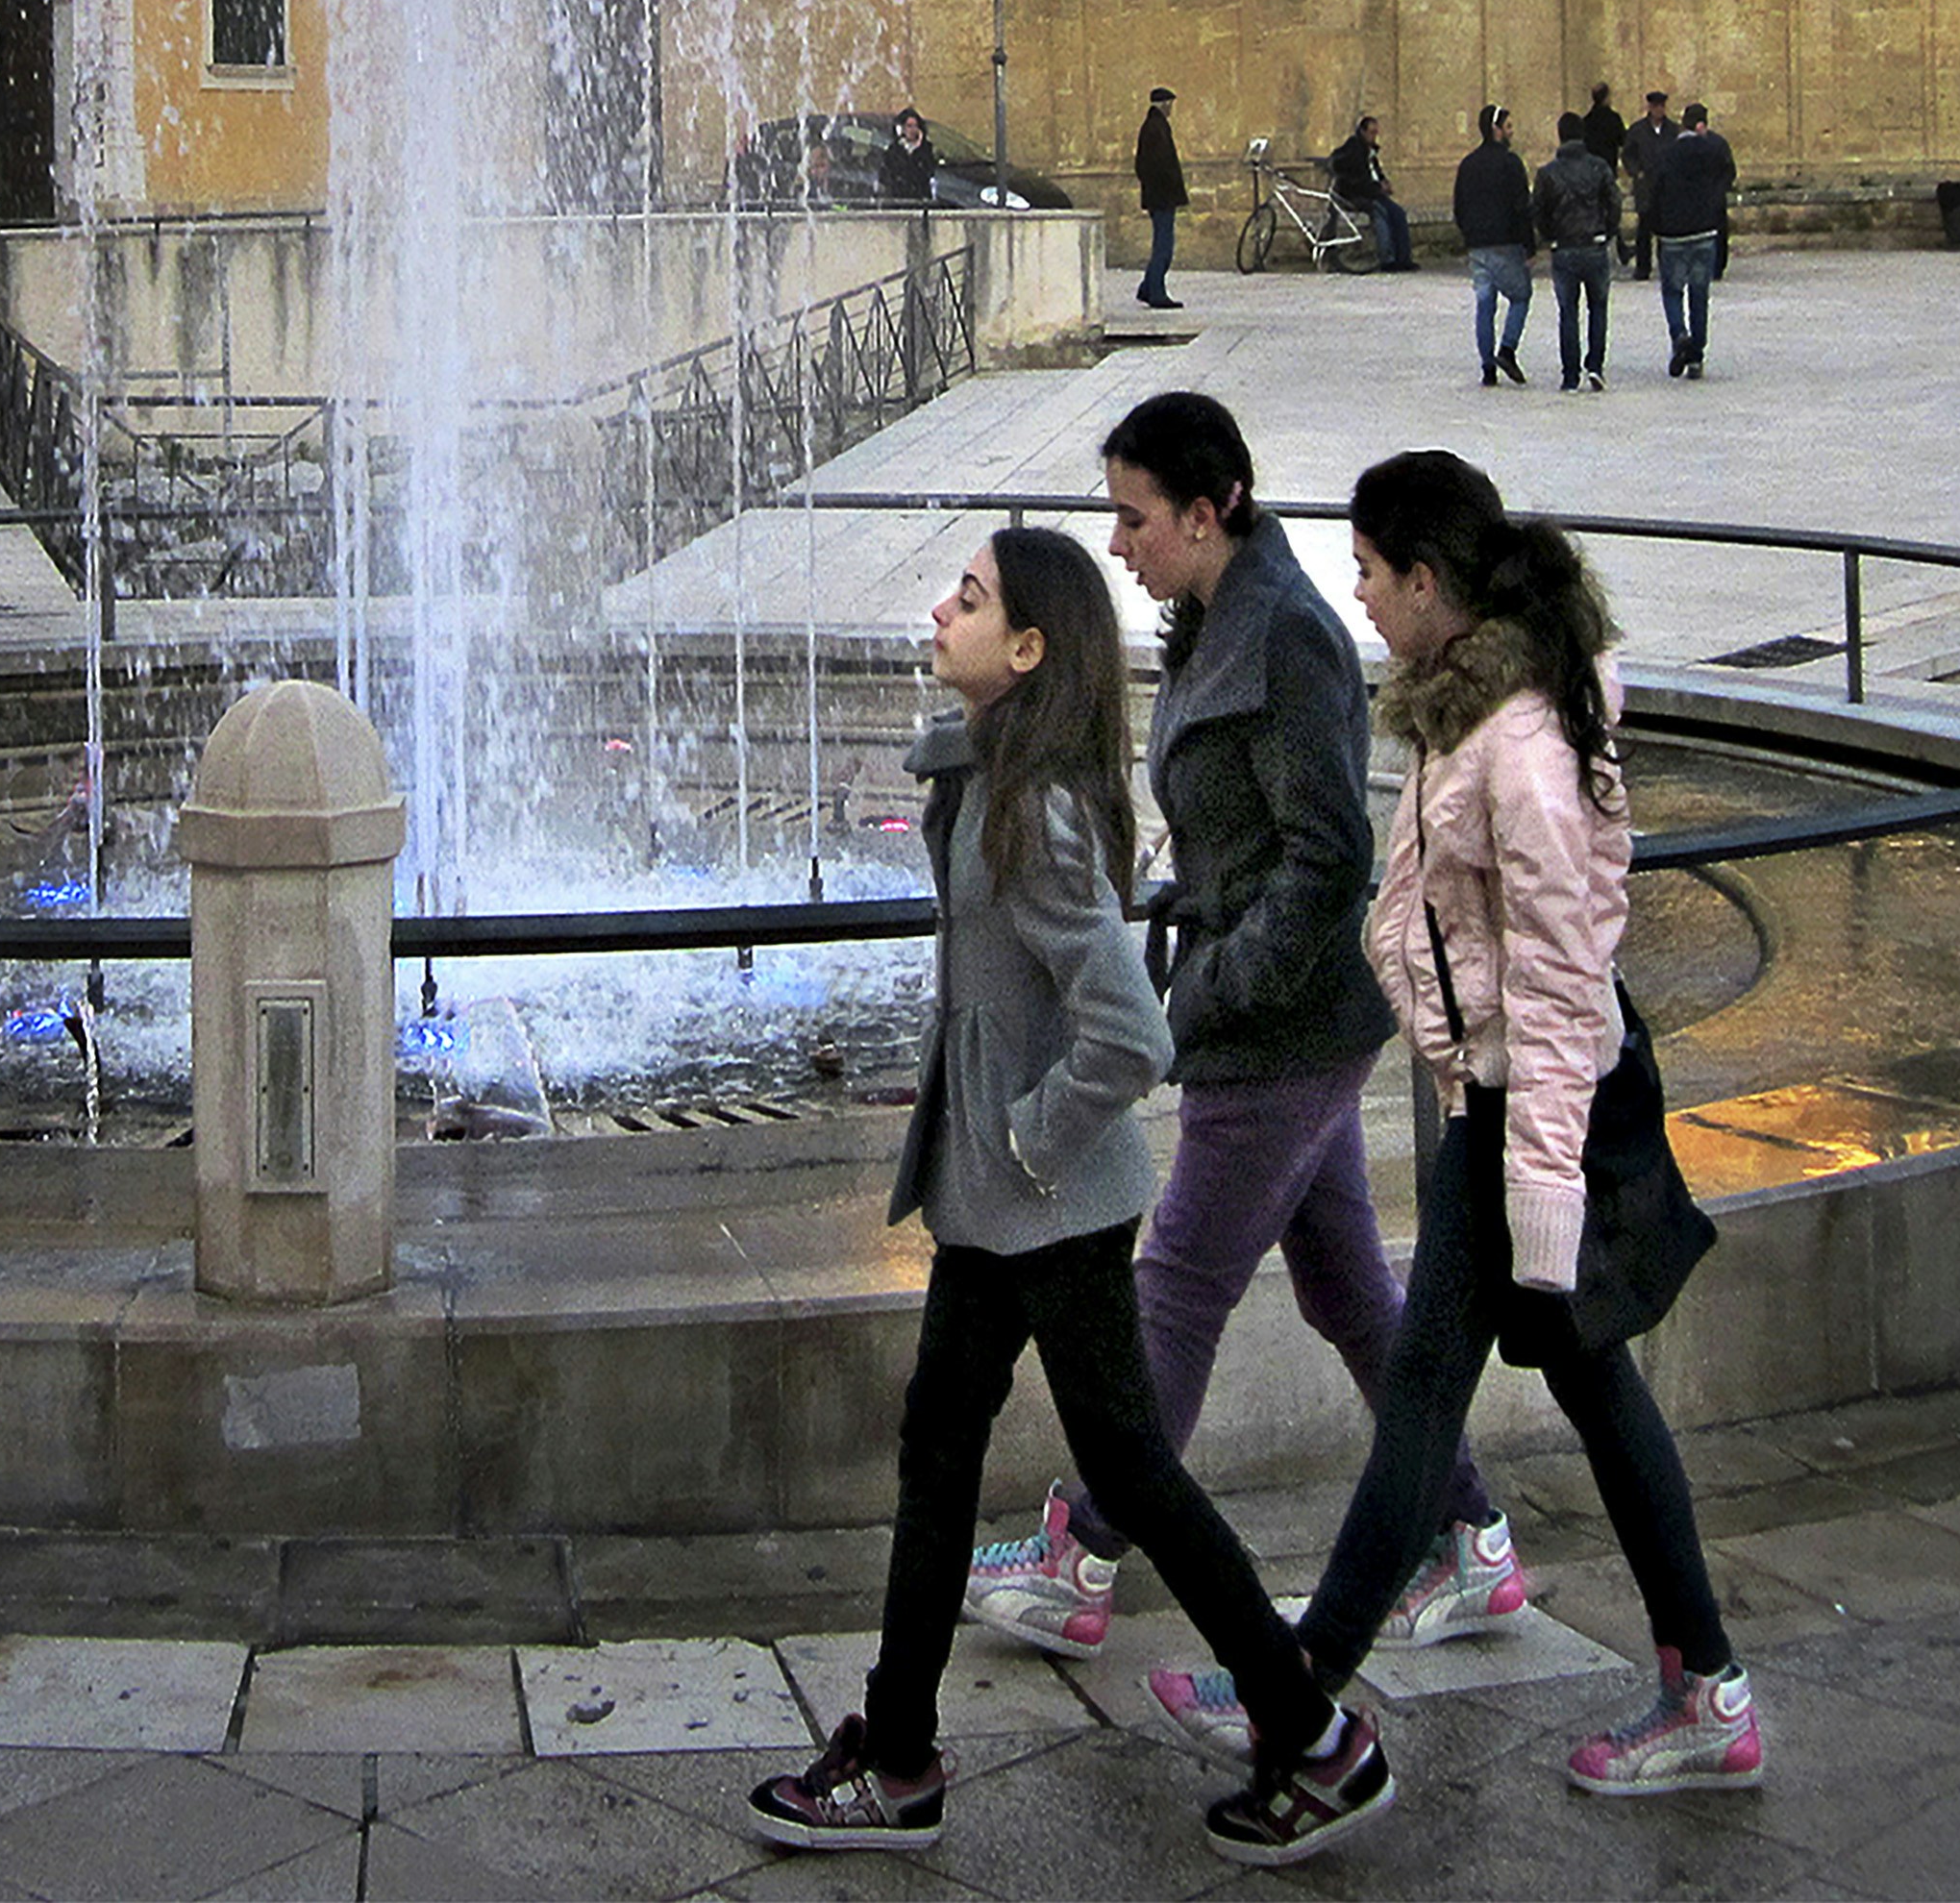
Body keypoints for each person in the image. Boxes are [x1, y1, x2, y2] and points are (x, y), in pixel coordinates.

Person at [747, 526, 1395, 1866]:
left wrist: (1030, 1138)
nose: (938, 607)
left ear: (1029, 649)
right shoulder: (998, 779)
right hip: (1004, 1205)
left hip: (1044, 1202)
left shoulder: (1030, 811)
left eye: (969, 598)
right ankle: (905, 1752)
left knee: (1131, 1473)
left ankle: (1311, 1735)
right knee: (950, 1448)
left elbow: (1130, 1032)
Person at [1149, 450, 1759, 1805]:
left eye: (1370, 573)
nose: (1356, 596)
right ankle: (1704, 1687)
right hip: (1512, 1103)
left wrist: (1533, 1180)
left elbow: (1556, 976)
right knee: (1582, 1395)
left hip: (1540, 1114)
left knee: (1427, 1398)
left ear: (1428, 583)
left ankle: (1296, 1701)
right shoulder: (1476, 711)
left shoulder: (1519, 748)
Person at [967, 394, 1525, 1692]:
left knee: (1175, 1287)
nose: (1118, 544)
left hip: (1281, 1022)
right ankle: (1468, 1530)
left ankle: (1085, 1554)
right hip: (1274, 1012)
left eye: (1135, 515)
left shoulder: (1288, 637)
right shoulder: (1225, 618)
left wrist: (1197, 1000)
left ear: (1206, 513)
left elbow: (1325, 860)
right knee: (1344, 1290)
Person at [1644, 102, 1735, 379]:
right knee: (1699, 293)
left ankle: (1680, 336)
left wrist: (1655, 226)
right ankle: (1696, 356)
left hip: (1673, 233)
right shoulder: (1714, 149)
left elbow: (1654, 191)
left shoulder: (1666, 153)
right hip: (1704, 230)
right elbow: (1726, 177)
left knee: (1672, 291)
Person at [1532, 111, 1621, 392]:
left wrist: (1550, 236)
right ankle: (1595, 365)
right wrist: (1607, 231)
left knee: (1568, 311)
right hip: (1594, 244)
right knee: (1598, 307)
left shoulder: (1548, 173)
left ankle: (1570, 374)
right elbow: (1614, 201)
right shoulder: (1599, 167)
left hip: (1565, 248)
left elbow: (1538, 211)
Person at [1451, 104, 1534, 385]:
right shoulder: (1511, 163)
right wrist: (1530, 245)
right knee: (1521, 296)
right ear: (1496, 129)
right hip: (1506, 243)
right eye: (1508, 127)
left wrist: (1469, 235)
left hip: (1477, 245)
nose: (1512, 132)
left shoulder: (1468, 164)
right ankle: (1507, 348)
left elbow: (1459, 207)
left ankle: (1487, 367)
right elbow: (1522, 206)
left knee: (1485, 304)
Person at [1328, 113, 1416, 270]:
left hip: (1374, 193)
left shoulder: (1371, 152)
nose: (1374, 136)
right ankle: (1387, 259)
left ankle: (1403, 258)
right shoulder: (1354, 150)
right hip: (1358, 195)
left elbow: (1376, 172)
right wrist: (1377, 187)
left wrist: (1384, 182)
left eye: (1376, 133)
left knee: (1398, 213)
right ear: (1362, 132)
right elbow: (1357, 179)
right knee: (1381, 214)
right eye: (1371, 132)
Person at [1134, 86, 1188, 309]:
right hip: (1162, 198)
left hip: (1159, 196)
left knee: (1162, 244)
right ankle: (1156, 292)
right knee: (1164, 247)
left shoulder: (1153, 127)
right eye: (1170, 104)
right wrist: (1167, 189)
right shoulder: (1155, 129)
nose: (1171, 109)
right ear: (1165, 104)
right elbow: (1157, 166)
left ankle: (1148, 288)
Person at [1620, 90, 1676, 279]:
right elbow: (1628, 154)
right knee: (1644, 228)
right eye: (1655, 106)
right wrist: (1637, 172)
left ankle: (1667, 265)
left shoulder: (1673, 130)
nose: (1659, 110)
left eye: (1661, 106)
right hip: (1646, 186)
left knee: (1666, 229)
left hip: (1667, 186)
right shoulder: (1637, 130)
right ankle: (1643, 267)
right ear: (1650, 108)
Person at [879, 105, 935, 203]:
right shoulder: (894, 149)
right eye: (909, 126)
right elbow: (886, 173)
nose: (912, 130)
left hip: (919, 198)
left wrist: (918, 147)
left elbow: (928, 171)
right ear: (902, 128)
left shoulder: (926, 148)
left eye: (915, 126)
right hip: (899, 198)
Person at [1580, 81, 1627, 176]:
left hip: (1590, 171)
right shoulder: (1614, 119)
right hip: (1609, 167)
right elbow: (1623, 141)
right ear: (1606, 98)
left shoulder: (1586, 121)